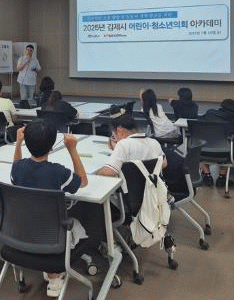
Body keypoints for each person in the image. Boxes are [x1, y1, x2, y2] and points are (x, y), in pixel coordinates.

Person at [11, 119, 88, 298]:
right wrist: (72, 149)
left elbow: (15, 165)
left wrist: (18, 144)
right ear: (52, 147)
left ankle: (51, 270)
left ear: (27, 142)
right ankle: (54, 274)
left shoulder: (18, 169)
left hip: (21, 234)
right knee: (76, 224)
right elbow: (83, 181)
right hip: (51, 237)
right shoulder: (58, 172)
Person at [98, 115, 166, 192]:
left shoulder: (123, 145)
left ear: (120, 130)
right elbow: (164, 164)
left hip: (131, 193)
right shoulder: (154, 142)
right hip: (154, 191)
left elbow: (109, 172)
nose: (115, 139)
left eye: (114, 135)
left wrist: (96, 173)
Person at [198, 99, 234, 187]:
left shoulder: (210, 113)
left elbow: (198, 121)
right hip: (224, 153)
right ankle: (222, 177)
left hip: (204, 151)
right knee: (231, 147)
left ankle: (207, 175)